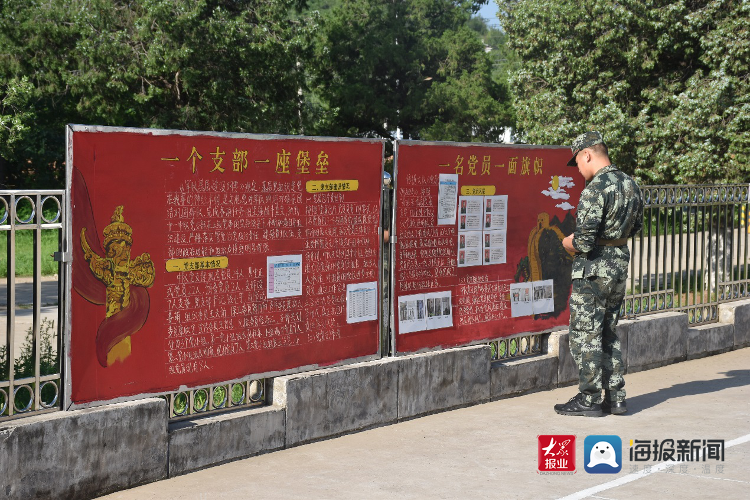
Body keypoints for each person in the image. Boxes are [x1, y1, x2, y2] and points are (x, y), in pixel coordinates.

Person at [555, 131, 643, 417]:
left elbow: (583, 241)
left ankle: (590, 398)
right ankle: (616, 397)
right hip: (618, 266)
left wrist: (567, 242)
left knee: (585, 334)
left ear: (587, 154)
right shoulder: (631, 184)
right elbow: (637, 227)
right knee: (608, 331)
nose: (578, 169)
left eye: (577, 162)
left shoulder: (595, 189)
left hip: (593, 269)